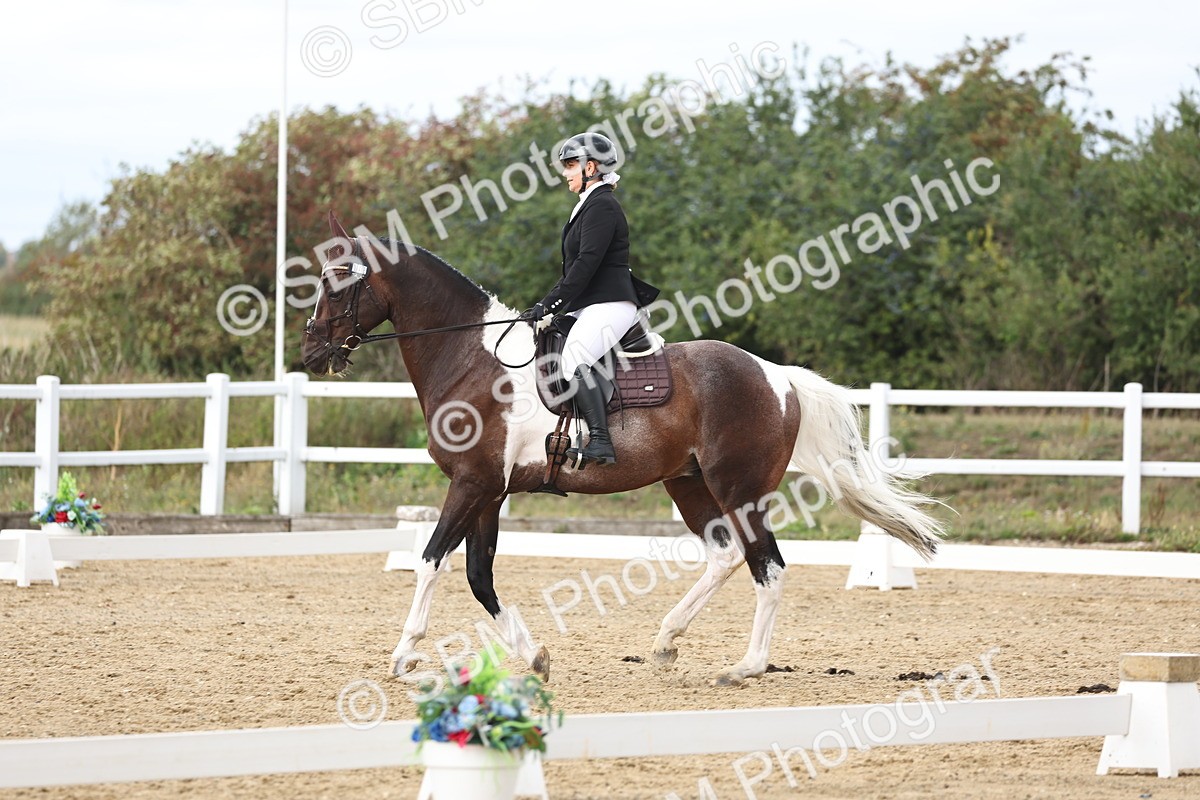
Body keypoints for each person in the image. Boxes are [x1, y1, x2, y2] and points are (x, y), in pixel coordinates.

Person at [522, 131, 659, 467]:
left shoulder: (603, 206)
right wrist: (550, 306)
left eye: (571, 166)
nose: (565, 173)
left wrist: (549, 304)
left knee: (574, 358)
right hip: (592, 304)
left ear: (592, 167)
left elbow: (584, 265)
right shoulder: (588, 205)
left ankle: (601, 441)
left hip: (612, 303)